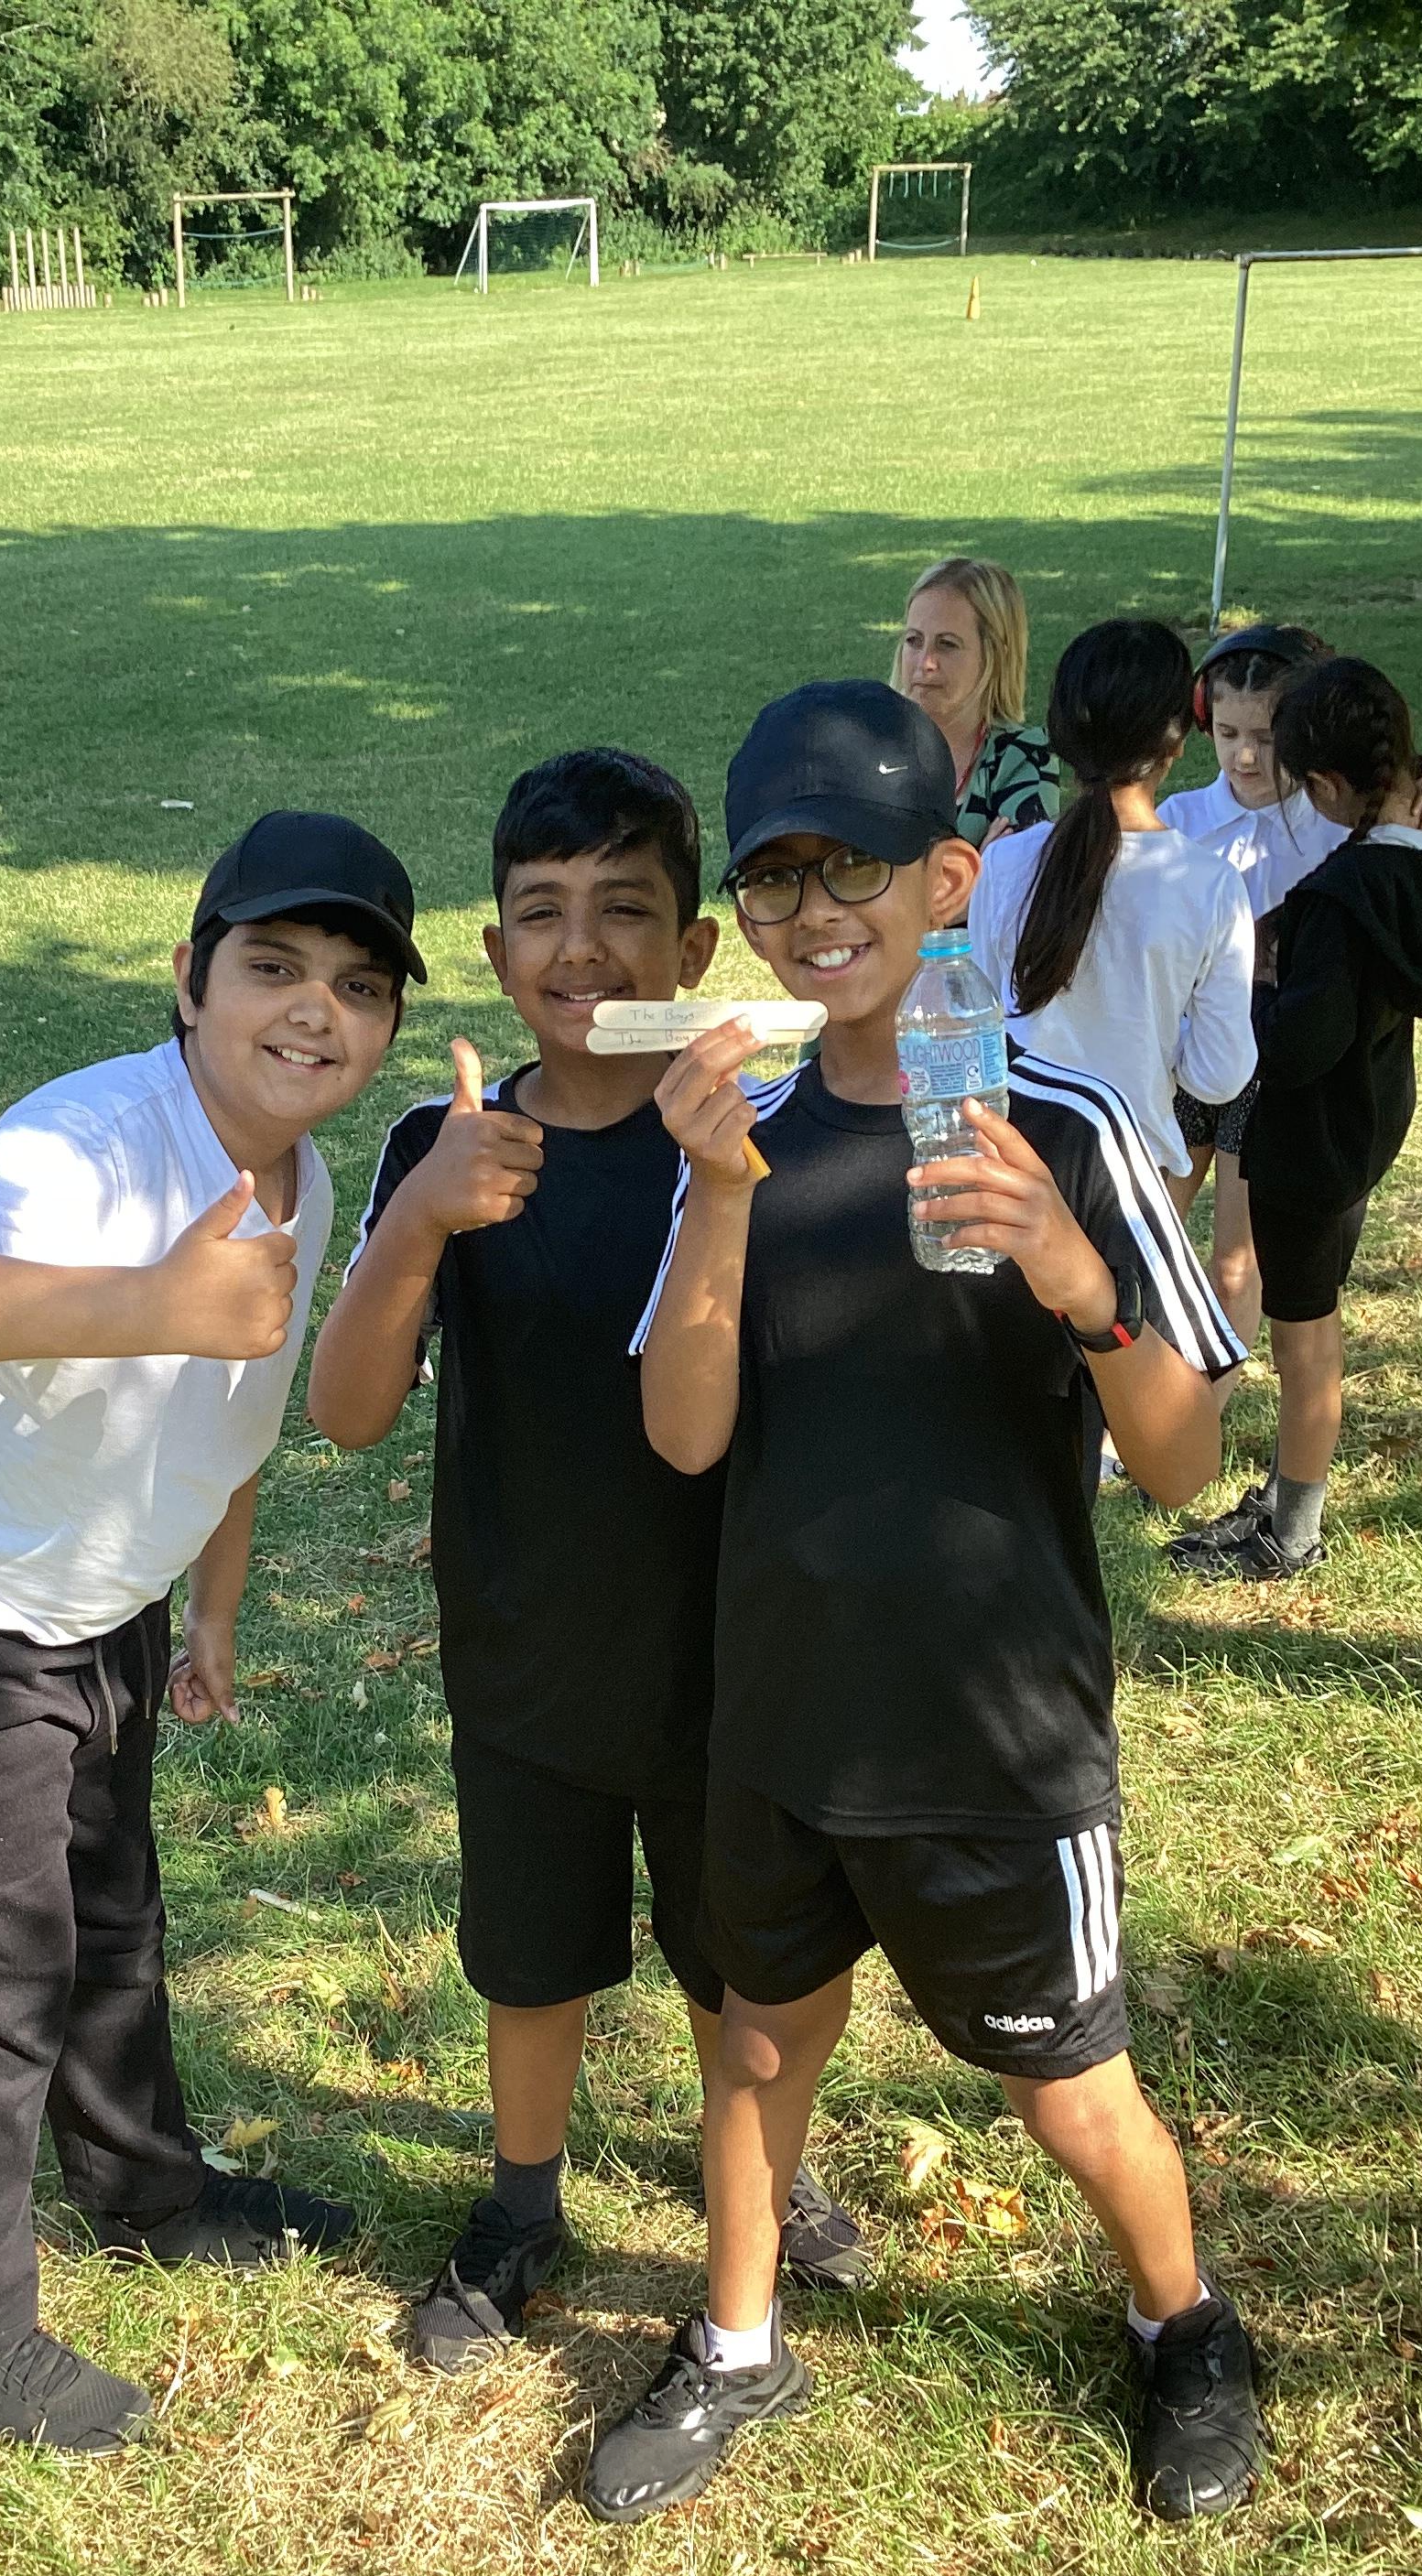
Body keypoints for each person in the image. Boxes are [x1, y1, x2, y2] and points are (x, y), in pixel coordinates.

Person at [581, 678, 1264, 2527]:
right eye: (779, 876)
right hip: (784, 1713)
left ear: (946, 880)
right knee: (754, 2044)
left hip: (992, 1727)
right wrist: (718, 1194)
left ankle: (1184, 2320)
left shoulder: (1067, 1123)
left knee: (1069, 2089)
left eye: (858, 868)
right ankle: (737, 2343)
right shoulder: (744, 1132)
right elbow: (684, 1433)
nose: (818, 912)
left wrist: (1070, 1272)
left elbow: (1183, 1461)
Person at [0, 813, 421, 2453]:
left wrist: (208, 1607)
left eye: (358, 986)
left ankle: (147, 2190)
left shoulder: (301, 1168)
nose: (314, 1010)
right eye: (273, 966)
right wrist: (146, 1301)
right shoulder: (90, 1144)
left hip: (96, 1611)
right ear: (191, 979)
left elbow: (236, 1410)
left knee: (113, 1923)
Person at [307, 751, 871, 2375]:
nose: (581, 949)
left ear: (693, 950)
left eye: (624, 910)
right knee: (529, 1956)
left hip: (729, 1656)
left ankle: (760, 2173)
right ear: (495, 955)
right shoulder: (448, 1139)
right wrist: (423, 1215)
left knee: (734, 1960)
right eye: (542, 913)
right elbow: (347, 1412)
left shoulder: (753, 1138)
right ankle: (521, 2198)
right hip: (523, 1647)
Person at [1167, 657, 1422, 1585]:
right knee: (1310, 1318)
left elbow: (1298, 1045)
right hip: (1371, 1112)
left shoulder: (1339, 900)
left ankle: (1293, 1529)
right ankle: (1286, 1496)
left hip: (1308, 1141)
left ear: (1323, 784)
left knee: (1303, 1333)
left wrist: (1249, 986)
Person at [969, 619, 1254, 1189]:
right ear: (1177, 742)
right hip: (1131, 1174)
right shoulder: (1211, 886)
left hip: (1012, 1165)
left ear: (1060, 734)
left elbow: (983, 1023)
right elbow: (1219, 1075)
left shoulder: (1003, 863)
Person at [1159, 624, 1341, 1349]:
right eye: (1228, 733)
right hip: (1182, 1058)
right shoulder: (1179, 823)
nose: (1244, 756)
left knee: (1236, 1267)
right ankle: (1125, 1396)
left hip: (1269, 1068)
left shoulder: (1331, 831)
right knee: (1140, 1234)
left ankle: (1206, 1398)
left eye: (1266, 738)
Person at [892, 556, 1058, 848]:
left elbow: (1018, 872)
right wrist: (978, 865)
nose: (925, 663)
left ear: (995, 656)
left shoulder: (1020, 758)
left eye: (947, 644)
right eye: (914, 640)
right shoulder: (872, 741)